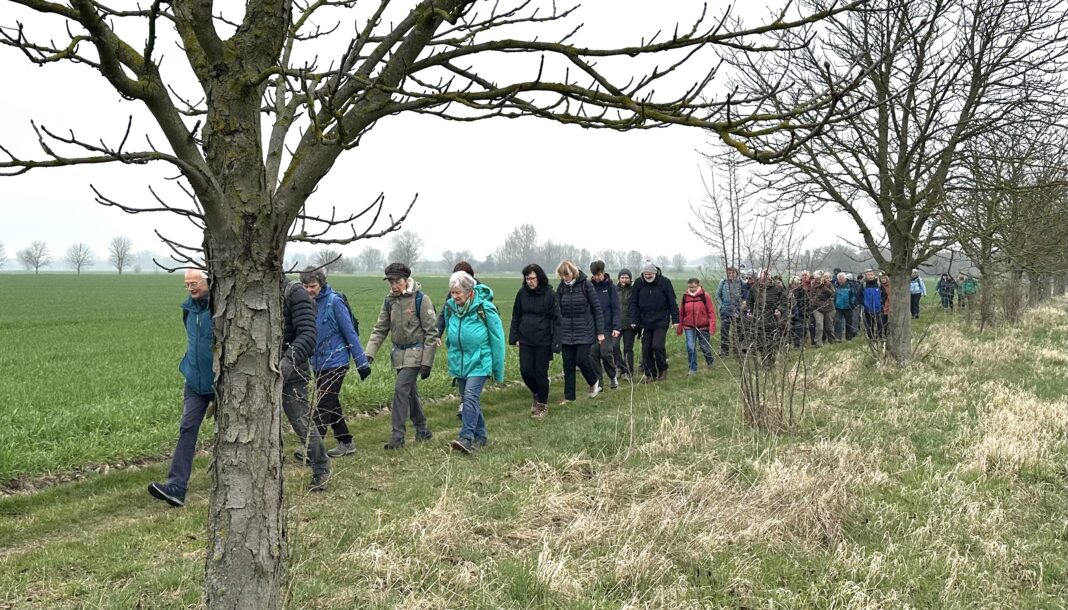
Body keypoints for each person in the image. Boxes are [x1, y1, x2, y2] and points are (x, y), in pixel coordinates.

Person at [148, 269, 216, 507]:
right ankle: (176, 487)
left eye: (195, 283)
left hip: (221, 384)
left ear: (208, 281)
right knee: (187, 428)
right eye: (187, 284)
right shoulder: (188, 309)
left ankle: (230, 478)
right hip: (194, 382)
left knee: (229, 433)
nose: (191, 288)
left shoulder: (220, 308)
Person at [364, 262, 439, 450]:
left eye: (397, 281)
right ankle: (422, 429)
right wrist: (369, 354)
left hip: (416, 354)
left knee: (400, 390)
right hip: (398, 355)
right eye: (390, 282)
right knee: (410, 393)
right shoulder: (389, 301)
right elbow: (380, 329)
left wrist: (427, 362)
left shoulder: (422, 300)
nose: (393, 285)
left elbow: (431, 333)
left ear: (406, 281)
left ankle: (397, 436)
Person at [300, 266, 372, 459]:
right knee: (332, 404)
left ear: (321, 283)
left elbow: (350, 333)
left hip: (337, 361)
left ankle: (311, 449)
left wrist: (362, 363)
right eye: (305, 286)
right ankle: (346, 442)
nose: (309, 290)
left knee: (323, 404)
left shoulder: (334, 302)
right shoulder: (306, 304)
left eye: (313, 286)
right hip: (318, 363)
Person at [442, 271, 506, 454]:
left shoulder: (484, 309)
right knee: (469, 400)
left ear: (469, 291)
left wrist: (497, 368)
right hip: (460, 362)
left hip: (480, 361)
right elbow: (450, 333)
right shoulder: (450, 308)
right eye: (452, 293)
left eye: (458, 293)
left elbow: (497, 339)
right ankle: (481, 436)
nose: (454, 297)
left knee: (470, 397)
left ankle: (466, 438)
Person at [279, 276, 332, 490]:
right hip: (260, 370)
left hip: (292, 370)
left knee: (301, 422)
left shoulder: (294, 293)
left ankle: (321, 468)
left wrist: (287, 361)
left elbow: (308, 335)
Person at [509, 263, 561, 418]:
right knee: (525, 371)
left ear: (539, 278)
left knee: (540, 373)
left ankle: (542, 406)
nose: (529, 281)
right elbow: (516, 315)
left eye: (532, 278)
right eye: (527, 279)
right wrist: (514, 337)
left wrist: (556, 342)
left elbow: (557, 319)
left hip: (543, 340)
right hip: (525, 339)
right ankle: (537, 393)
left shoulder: (550, 294)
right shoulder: (521, 293)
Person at [555, 260, 605, 403]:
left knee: (581, 359)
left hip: (584, 330)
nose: (565, 278)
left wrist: (600, 332)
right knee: (568, 364)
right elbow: (557, 309)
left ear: (573, 272)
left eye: (567, 274)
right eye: (562, 275)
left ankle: (593, 381)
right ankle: (569, 397)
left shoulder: (586, 285)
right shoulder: (561, 288)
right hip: (566, 333)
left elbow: (597, 309)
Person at [630, 261, 679, 381]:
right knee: (646, 348)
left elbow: (672, 302)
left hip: (661, 320)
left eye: (650, 274)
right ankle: (650, 374)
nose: (647, 276)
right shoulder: (638, 283)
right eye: (645, 274)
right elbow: (633, 303)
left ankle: (663, 369)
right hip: (644, 321)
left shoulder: (665, 282)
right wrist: (633, 319)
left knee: (657, 346)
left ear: (655, 273)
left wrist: (675, 320)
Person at [588, 260, 621, 389]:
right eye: (594, 275)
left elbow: (616, 308)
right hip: (592, 327)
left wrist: (616, 326)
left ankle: (613, 377)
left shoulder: (610, 287)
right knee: (593, 354)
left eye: (599, 275)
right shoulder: (588, 286)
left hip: (607, 326)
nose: (597, 277)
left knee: (605, 353)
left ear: (603, 272)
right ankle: (599, 383)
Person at [745, 269, 786, 367]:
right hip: (758, 320)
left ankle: (771, 361)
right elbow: (749, 301)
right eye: (762, 279)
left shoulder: (778, 288)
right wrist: (750, 311)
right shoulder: (754, 288)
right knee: (760, 343)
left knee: (771, 342)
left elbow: (784, 300)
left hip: (772, 319)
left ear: (770, 278)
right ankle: (764, 360)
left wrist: (779, 310)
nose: (764, 281)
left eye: (766, 279)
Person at [677, 278, 716, 374]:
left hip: (703, 326)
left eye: (694, 287)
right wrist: (679, 328)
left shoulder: (705, 296)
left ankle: (710, 361)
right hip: (689, 326)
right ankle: (692, 368)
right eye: (690, 287)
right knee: (690, 347)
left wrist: (712, 327)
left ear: (698, 285)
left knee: (704, 347)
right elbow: (681, 313)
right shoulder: (685, 297)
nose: (692, 289)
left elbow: (711, 312)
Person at [715, 266, 744, 356]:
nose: (731, 274)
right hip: (725, 311)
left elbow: (744, 296)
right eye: (729, 273)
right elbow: (717, 296)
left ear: (736, 273)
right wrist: (721, 306)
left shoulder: (741, 282)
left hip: (737, 311)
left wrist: (741, 308)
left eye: (732, 272)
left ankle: (737, 350)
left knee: (737, 331)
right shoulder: (723, 282)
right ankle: (724, 350)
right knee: (724, 331)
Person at [614, 269, 637, 378]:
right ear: (619, 278)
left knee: (628, 348)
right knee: (614, 346)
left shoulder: (633, 291)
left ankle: (628, 371)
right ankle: (619, 367)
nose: (624, 280)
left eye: (626, 278)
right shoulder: (613, 290)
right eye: (622, 277)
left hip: (629, 324)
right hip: (616, 324)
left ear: (630, 279)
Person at [809, 273, 836, 347]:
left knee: (829, 326)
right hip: (818, 308)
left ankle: (832, 341)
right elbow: (811, 295)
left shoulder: (829, 285)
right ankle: (818, 343)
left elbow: (832, 294)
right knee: (819, 325)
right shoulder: (815, 285)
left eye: (826, 278)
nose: (820, 279)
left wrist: (824, 287)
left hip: (829, 308)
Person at [861, 269, 887, 340]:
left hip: (878, 308)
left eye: (871, 274)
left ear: (874, 275)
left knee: (879, 324)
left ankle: (880, 337)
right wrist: (864, 303)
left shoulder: (879, 284)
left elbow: (884, 295)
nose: (870, 276)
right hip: (867, 309)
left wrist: (881, 302)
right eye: (868, 275)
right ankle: (872, 338)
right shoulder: (863, 285)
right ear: (866, 276)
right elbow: (859, 296)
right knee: (869, 325)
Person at [833, 271, 856, 342]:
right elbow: (833, 296)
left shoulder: (850, 285)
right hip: (838, 307)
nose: (840, 280)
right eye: (839, 279)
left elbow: (854, 295)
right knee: (837, 322)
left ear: (845, 278)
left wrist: (852, 304)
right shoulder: (835, 285)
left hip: (848, 307)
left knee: (849, 323)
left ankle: (849, 338)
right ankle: (837, 338)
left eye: (842, 278)